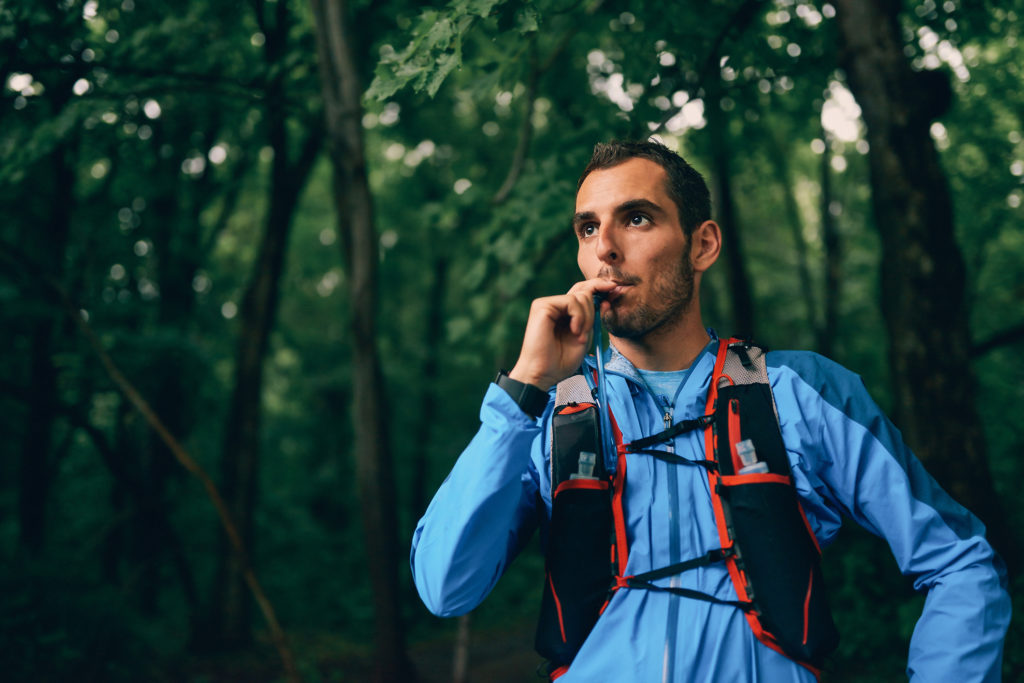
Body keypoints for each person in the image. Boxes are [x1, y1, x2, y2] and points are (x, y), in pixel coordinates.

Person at [410, 140, 1011, 681]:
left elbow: (961, 563)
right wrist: (526, 386)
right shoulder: (546, 412)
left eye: (636, 219)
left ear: (703, 244)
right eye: (587, 229)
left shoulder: (798, 390)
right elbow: (446, 585)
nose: (606, 251)